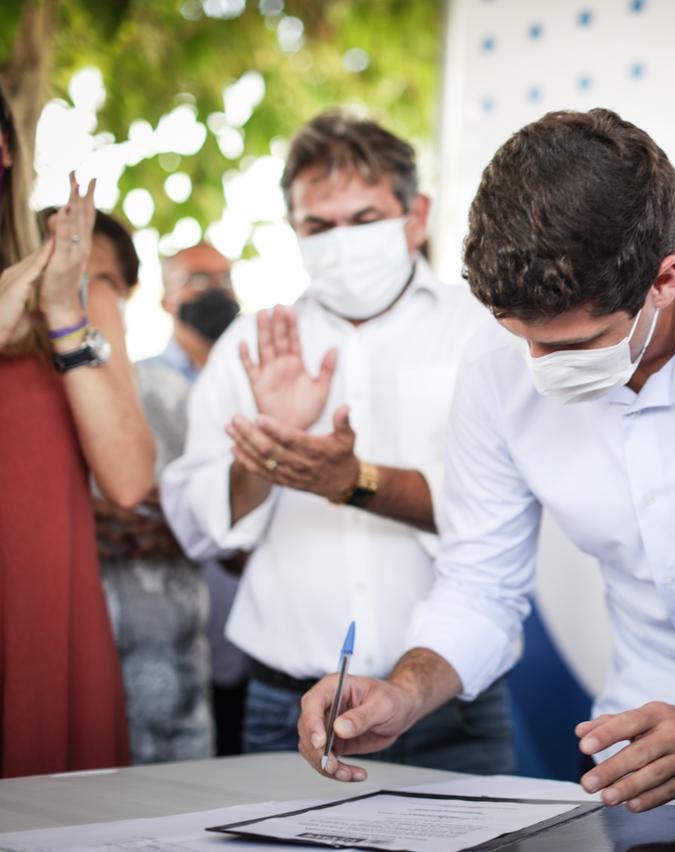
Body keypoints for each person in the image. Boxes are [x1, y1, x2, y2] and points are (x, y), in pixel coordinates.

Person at [296, 109, 675, 818]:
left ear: (665, 280)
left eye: (576, 345)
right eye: (522, 338)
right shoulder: (493, 366)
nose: (540, 366)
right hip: (634, 757)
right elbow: (479, 585)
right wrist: (403, 691)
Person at [162, 112, 513, 773]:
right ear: (293, 229)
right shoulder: (249, 344)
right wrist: (272, 453)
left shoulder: (483, 333)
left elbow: (503, 514)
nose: (342, 241)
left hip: (452, 709)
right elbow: (196, 528)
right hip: (287, 710)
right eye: (318, 226)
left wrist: (352, 481)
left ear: (415, 216)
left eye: (364, 218)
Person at [0, 81, 154, 777]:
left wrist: (63, 314)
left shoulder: (72, 292)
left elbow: (129, 479)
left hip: (37, 623)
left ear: (6, 150)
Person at [75, 220, 221, 765]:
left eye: (99, 282)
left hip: (172, 666)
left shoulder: (166, 392)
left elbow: (215, 513)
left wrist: (178, 520)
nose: (78, 298)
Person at [148, 243, 250, 757]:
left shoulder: (258, 380)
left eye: (224, 278)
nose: (216, 291)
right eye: (198, 279)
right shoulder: (136, 385)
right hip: (167, 630)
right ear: (166, 298)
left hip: (248, 630)